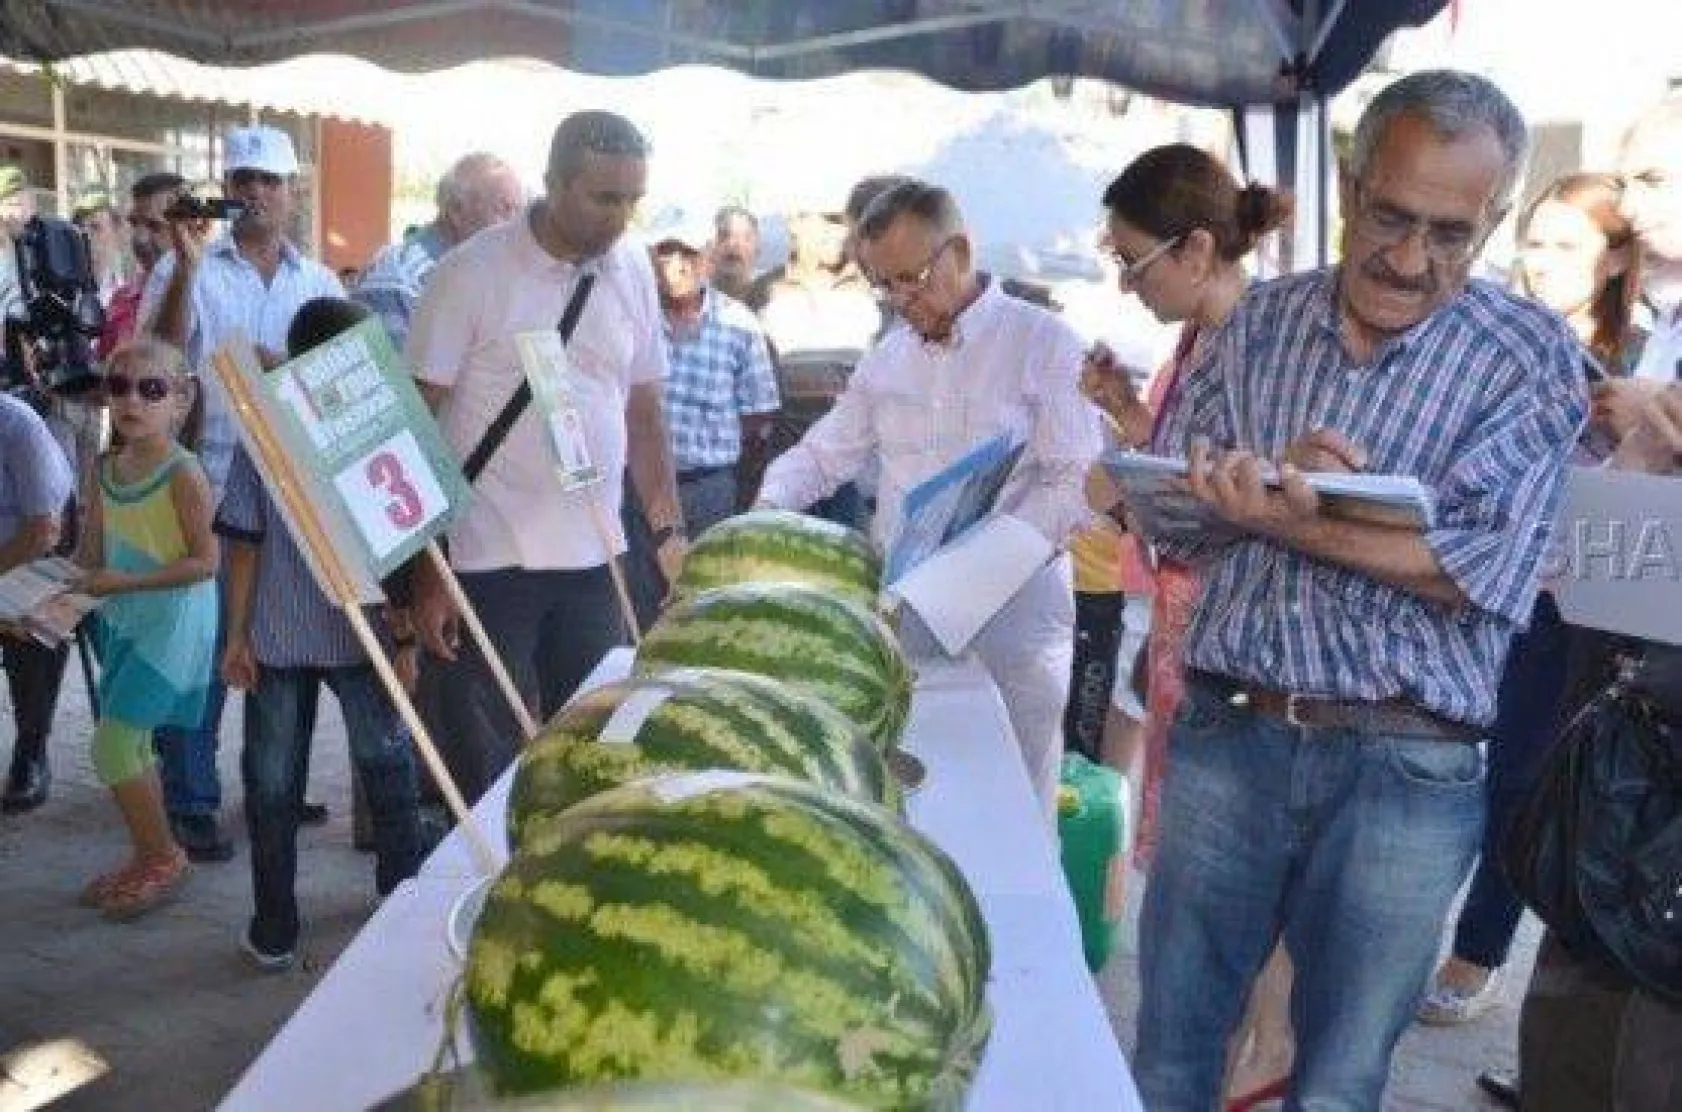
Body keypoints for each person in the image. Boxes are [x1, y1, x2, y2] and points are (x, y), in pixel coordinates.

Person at [1121, 70, 1587, 1111]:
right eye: (1388, 216)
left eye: (1449, 234)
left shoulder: (1528, 357)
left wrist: (1290, 516)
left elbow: (1480, 571)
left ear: (1492, 219)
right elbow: (1169, 514)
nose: (1409, 258)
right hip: (1229, 731)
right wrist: (1245, 484)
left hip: (1407, 765)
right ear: (1349, 184)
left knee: (1337, 1084)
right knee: (1169, 1056)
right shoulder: (1255, 324)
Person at [756, 179, 1100, 817]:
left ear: (960, 253)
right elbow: (823, 455)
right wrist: (764, 513)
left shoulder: (1042, 341)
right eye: (883, 285)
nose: (901, 301)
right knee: (916, 789)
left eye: (912, 279)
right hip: (908, 611)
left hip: (1015, 618)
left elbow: (1074, 483)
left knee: (1018, 802)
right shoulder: (886, 360)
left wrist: (982, 564)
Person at [1081, 142, 1295, 1112]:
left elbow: (1252, 503)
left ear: (1197, 248)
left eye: (1134, 262)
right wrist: (1128, 417)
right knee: (1193, 883)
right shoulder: (1203, 341)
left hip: (1236, 642)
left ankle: (1266, 1033)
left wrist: (1132, 495)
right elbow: (1184, 465)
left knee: (1234, 872)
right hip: (1187, 635)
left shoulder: (1264, 343)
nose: (1127, 285)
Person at [1420, 171, 1647, 1030]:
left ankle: (1477, 952)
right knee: (1438, 756)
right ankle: (1403, 928)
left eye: (1567, 246)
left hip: (1569, 603)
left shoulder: (1644, 363)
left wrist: (1630, 434)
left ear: (1614, 258)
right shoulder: (1502, 337)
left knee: (1521, 780)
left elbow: (1638, 544)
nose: (1542, 262)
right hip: (1473, 572)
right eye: (1534, 242)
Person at [407, 109, 684, 806]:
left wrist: (667, 530)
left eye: (632, 199)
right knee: (482, 771)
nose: (620, 218)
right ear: (553, 182)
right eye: (603, 198)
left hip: (597, 562)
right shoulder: (468, 273)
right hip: (484, 563)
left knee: (593, 759)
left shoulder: (632, 267)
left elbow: (644, 413)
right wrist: (425, 570)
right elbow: (413, 424)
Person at [140, 124, 345, 862]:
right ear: (226, 188)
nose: (254, 191)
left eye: (268, 180)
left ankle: (275, 784)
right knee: (200, 652)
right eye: (242, 179)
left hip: (292, 499)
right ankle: (191, 798)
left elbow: (340, 377)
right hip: (206, 488)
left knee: (283, 647)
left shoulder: (319, 282)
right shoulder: (184, 264)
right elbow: (156, 362)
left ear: (292, 192)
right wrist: (187, 268)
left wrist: (284, 366)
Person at [217, 297, 422, 971]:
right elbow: (406, 539)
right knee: (384, 765)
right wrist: (405, 637)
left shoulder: (264, 430)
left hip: (297, 635)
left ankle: (275, 928)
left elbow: (243, 545)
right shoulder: (372, 424)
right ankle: (400, 896)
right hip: (346, 638)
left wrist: (238, 634)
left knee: (276, 785)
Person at [75, 338, 218, 920]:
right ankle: (149, 854)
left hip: (172, 626)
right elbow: (88, 557)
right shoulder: (104, 468)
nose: (132, 400)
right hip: (123, 619)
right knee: (132, 744)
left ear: (180, 401)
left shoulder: (184, 473)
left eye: (151, 389)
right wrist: (46, 597)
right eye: (119, 386)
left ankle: (163, 859)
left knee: (111, 744)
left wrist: (124, 582)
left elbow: (205, 563)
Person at [649, 214, 779, 533]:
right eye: (666, 254)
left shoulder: (739, 322)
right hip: (641, 489)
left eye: (688, 254)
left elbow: (758, 414)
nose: (677, 266)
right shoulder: (633, 319)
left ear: (708, 259)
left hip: (708, 489)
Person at [353, 151, 524, 353]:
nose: (517, 225)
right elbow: (397, 372)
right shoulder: (402, 282)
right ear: (456, 211)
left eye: (520, 212)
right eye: (505, 210)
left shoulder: (488, 273)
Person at [0, 391, 74, 813]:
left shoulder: (17, 426)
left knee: (40, 621)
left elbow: (46, 530)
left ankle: (31, 752)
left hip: (34, 555)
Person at [101, 172, 186, 360]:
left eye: (155, 226)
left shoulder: (217, 296)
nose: (139, 238)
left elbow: (237, 376)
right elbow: (104, 371)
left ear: (190, 228)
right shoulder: (121, 300)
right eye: (134, 223)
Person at [708, 204, 762, 309]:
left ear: (757, 248)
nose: (733, 244)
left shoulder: (772, 302)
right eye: (724, 236)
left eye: (746, 238)